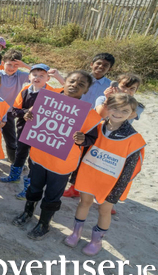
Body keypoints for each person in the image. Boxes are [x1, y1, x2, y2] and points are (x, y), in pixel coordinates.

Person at [12, 71, 102, 240]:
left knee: (52, 195)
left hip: (62, 165)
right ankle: (27, 213)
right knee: (34, 188)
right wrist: (27, 115)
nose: (75, 85)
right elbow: (29, 115)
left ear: (86, 91)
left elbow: (91, 138)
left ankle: (44, 223)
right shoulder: (46, 100)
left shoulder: (89, 115)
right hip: (39, 157)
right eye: (72, 80)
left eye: (81, 84)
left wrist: (83, 139)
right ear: (65, 81)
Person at [64, 94, 145, 255]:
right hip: (89, 173)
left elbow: (129, 169)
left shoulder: (134, 139)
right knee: (84, 203)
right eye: (114, 108)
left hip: (111, 182)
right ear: (108, 108)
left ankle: (96, 240)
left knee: (104, 210)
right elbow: (85, 147)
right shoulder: (97, 126)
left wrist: (118, 189)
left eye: (124, 110)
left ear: (132, 114)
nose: (118, 113)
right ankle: (76, 232)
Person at [0, 64, 64, 199]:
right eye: (35, 75)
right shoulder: (25, 90)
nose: (37, 78)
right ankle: (14, 176)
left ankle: (28, 188)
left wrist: (58, 76)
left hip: (40, 134)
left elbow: (69, 91)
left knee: (33, 160)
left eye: (42, 76)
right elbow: (14, 110)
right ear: (29, 77)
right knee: (20, 153)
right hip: (23, 130)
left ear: (47, 78)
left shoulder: (52, 92)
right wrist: (25, 112)